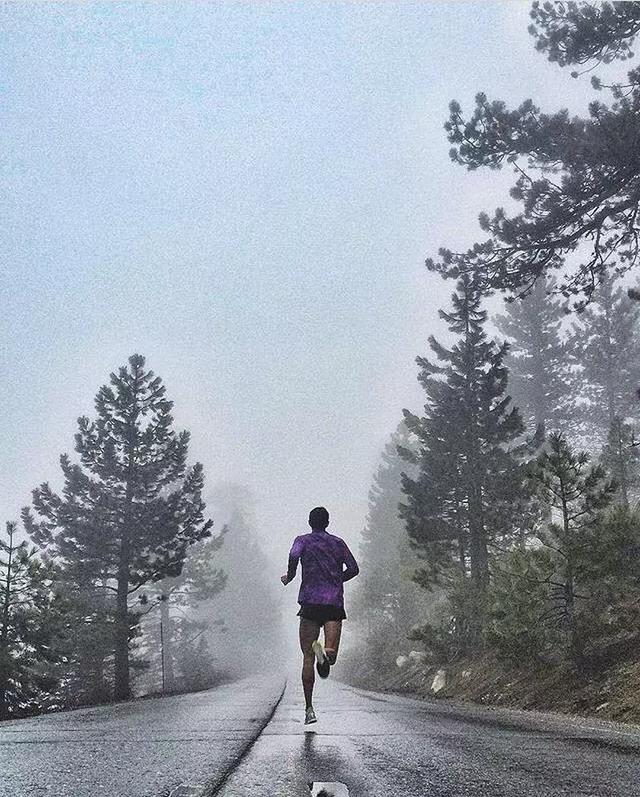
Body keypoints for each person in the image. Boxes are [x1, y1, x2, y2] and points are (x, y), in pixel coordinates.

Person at [281, 506, 359, 725]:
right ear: (328, 522)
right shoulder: (338, 543)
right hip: (333, 603)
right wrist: (335, 579)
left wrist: (291, 575)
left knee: (307, 656)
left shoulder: (302, 540)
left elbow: (293, 555)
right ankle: (325, 652)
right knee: (331, 655)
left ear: (310, 522)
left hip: (309, 602)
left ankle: (309, 709)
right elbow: (353, 568)